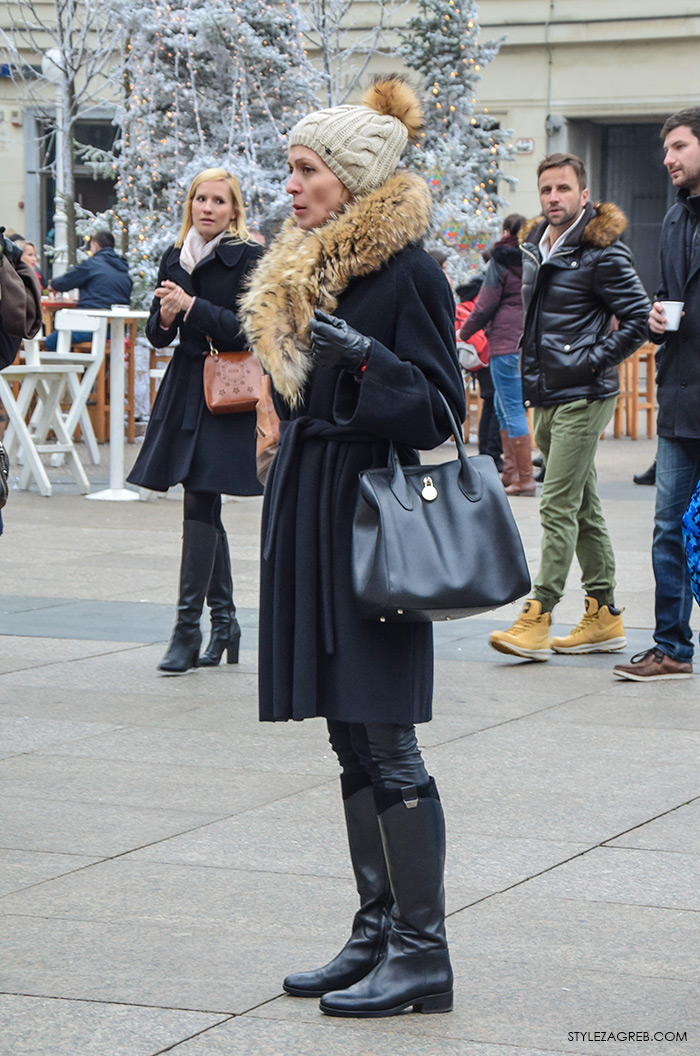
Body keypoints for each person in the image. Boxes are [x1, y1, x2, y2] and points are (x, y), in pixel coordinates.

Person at [239, 75, 465, 1018]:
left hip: (375, 513)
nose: (289, 186)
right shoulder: (303, 265)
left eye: (306, 170)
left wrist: (366, 360)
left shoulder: (407, 269)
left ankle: (424, 952)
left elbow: (442, 411)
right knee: (347, 733)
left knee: (388, 737)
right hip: (312, 504)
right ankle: (375, 931)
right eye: (290, 169)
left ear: (352, 178)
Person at [489, 152, 649, 661]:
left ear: (584, 195)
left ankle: (539, 614)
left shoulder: (603, 253)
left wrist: (587, 361)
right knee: (582, 504)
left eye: (563, 189)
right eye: (546, 190)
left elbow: (640, 321)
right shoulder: (536, 246)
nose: (553, 198)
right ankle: (603, 614)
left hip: (585, 393)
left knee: (556, 502)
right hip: (547, 391)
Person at [127, 168, 264, 673]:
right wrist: (166, 317)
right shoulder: (174, 256)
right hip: (186, 387)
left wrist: (193, 306)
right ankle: (223, 621)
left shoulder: (250, 257)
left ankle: (187, 630)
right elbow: (158, 336)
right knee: (202, 497)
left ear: (234, 211)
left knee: (201, 496)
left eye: (219, 201)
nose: (207, 208)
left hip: (227, 391)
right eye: (200, 199)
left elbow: (250, 332)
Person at [614, 109, 700, 681]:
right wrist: (656, 317)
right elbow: (668, 294)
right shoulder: (673, 219)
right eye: (666, 150)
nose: (668, 159)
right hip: (681, 395)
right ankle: (670, 647)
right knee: (668, 526)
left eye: (678, 147)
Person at [459, 213, 533, 494]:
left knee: (510, 407)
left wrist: (463, 333)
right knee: (505, 406)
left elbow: (485, 304)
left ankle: (524, 478)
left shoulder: (500, 259)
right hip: (527, 342)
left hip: (504, 342)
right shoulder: (533, 258)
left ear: (505, 231)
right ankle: (511, 472)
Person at [44, 231, 132, 349]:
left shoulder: (92, 264)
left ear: (95, 245)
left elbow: (67, 281)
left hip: (91, 326)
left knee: (51, 341)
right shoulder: (123, 269)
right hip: (116, 331)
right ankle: (98, 367)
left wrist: (53, 285)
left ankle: (73, 368)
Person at [454, 277, 502, 469]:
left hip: (480, 363)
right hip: (491, 358)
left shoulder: (464, 306)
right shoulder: (482, 305)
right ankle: (492, 454)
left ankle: (486, 451)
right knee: (495, 406)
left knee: (490, 404)